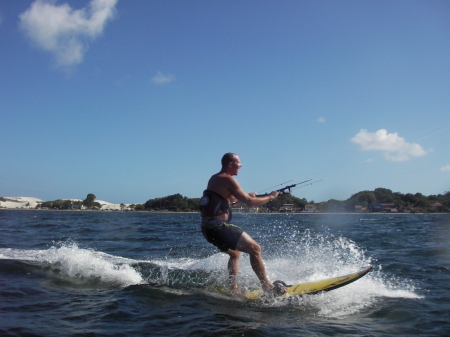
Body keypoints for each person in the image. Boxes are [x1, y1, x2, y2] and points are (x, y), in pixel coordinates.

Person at [200, 153, 285, 295]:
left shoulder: (215, 178)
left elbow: (227, 201)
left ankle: (233, 288)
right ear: (230, 164)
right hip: (217, 227)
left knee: (235, 254)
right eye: (238, 163)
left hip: (207, 229)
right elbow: (250, 203)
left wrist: (244, 197)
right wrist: (271, 197)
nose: (241, 165)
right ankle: (267, 287)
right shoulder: (228, 180)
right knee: (255, 248)